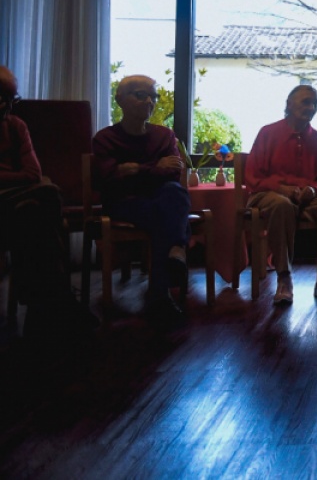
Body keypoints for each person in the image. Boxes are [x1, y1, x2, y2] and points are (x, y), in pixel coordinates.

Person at [0, 67, 94, 339]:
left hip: (17, 203)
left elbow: (32, 173)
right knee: (42, 200)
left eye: (12, 99)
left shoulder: (16, 126)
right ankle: (55, 301)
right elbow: (28, 177)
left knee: (37, 205)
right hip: (16, 199)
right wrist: (16, 180)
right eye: (2, 98)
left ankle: (42, 305)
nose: (7, 106)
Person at [92, 75, 192, 321]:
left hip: (160, 199)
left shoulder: (164, 136)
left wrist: (134, 169)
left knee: (174, 193)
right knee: (167, 212)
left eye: (153, 96)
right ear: (120, 100)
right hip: (124, 204)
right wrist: (154, 168)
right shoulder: (105, 138)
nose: (149, 101)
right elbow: (108, 179)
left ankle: (161, 292)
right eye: (140, 95)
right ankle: (175, 254)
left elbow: (173, 172)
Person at [244, 84, 317, 305]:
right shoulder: (268, 133)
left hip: (307, 198)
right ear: (289, 105)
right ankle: (284, 278)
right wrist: (281, 188)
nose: (311, 107)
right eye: (306, 102)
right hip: (269, 195)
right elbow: (252, 177)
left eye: (315, 103)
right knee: (281, 204)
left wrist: (313, 190)